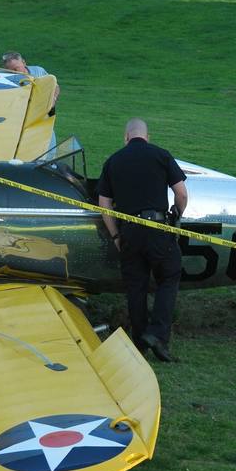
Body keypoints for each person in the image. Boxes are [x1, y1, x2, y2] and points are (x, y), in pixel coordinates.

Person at [97, 119, 188, 362]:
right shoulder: (161, 155)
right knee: (169, 276)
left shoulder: (113, 161)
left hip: (128, 232)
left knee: (135, 286)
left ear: (126, 137)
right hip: (157, 227)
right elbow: (181, 193)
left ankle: (140, 342)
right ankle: (157, 334)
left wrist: (116, 234)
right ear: (147, 136)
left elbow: (104, 203)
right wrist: (176, 216)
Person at [3, 50, 60, 150]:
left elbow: (55, 86)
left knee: (48, 141)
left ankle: (50, 160)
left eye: (16, 68)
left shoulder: (38, 71)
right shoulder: (7, 79)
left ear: (24, 63)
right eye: (10, 70)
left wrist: (53, 100)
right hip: (21, 117)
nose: (15, 72)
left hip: (43, 113)